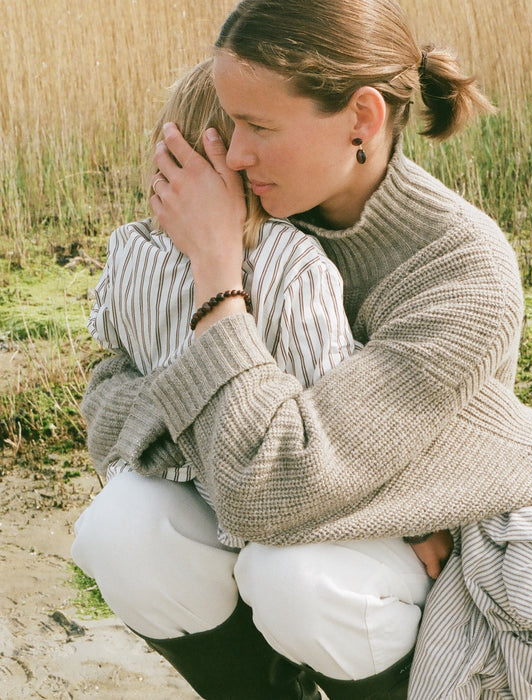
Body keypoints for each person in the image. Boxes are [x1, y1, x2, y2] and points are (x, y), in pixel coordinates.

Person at [71, 1, 532, 699]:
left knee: (300, 577)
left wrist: (217, 278)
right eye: (231, 124)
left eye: (260, 127)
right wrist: (277, 449)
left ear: (361, 118)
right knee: (122, 531)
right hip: (331, 509)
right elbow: (107, 402)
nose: (233, 155)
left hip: (424, 559)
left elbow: (274, 486)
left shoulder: (461, 267)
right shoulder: (252, 205)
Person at [85, 58, 359, 551]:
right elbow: (333, 412)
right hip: (275, 512)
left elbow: (113, 342)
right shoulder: (295, 264)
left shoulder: (128, 250)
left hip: (174, 494)